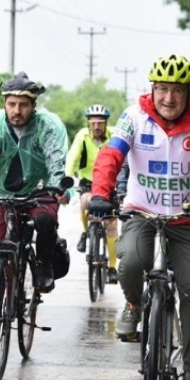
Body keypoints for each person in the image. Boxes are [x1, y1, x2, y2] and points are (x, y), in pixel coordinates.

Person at [88, 53, 190, 380]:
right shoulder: (134, 116)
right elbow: (111, 156)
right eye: (161, 89)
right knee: (131, 261)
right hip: (142, 212)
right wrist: (100, 193)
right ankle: (132, 304)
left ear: (188, 92)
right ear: (152, 89)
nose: (168, 98)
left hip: (189, 221)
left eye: (176, 90)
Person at [0, 71, 69, 295]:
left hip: (39, 190)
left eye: (24, 105)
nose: (17, 111)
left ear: (34, 105)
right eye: (12, 104)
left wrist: (58, 187)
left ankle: (43, 266)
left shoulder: (47, 125)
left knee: (45, 221)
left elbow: (56, 160)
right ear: (4, 104)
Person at [66, 104, 119, 282]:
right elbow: (72, 157)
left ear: (106, 124)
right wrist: (67, 177)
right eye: (93, 123)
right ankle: (85, 231)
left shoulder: (114, 136)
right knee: (84, 201)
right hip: (88, 181)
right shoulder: (82, 136)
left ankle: (112, 267)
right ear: (88, 123)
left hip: (111, 182)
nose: (96, 127)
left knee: (111, 225)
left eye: (100, 123)